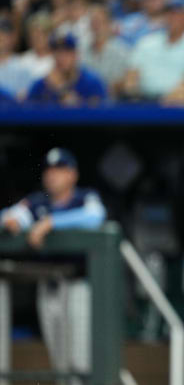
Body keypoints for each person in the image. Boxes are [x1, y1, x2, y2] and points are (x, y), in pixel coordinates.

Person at [0, 148, 106, 384]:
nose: (52, 175)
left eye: (59, 170)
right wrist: (12, 218)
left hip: (78, 286)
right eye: (49, 170)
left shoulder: (85, 197)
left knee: (80, 362)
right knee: (59, 365)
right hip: (48, 288)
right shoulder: (38, 203)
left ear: (72, 174)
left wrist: (52, 223)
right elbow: (12, 215)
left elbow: (96, 216)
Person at [122, 0, 184, 100]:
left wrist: (183, 92)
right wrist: (131, 92)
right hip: (144, 100)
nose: (174, 18)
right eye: (170, 14)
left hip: (179, 100)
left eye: (178, 14)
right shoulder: (147, 42)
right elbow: (132, 73)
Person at [26, 34, 106, 106]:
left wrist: (62, 90)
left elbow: (99, 116)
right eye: (57, 52)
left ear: (75, 55)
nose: (61, 57)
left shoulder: (92, 83)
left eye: (67, 52)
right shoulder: (41, 85)